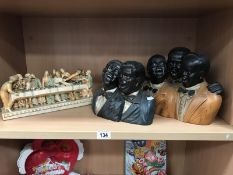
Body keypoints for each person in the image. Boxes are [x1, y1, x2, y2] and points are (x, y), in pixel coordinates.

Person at [176, 53, 222, 125]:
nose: (183, 74)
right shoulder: (171, 90)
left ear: (201, 75)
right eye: (182, 70)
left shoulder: (213, 99)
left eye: (189, 72)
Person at [119, 61, 155, 125]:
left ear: (138, 81)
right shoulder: (113, 96)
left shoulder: (148, 103)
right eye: (121, 75)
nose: (122, 80)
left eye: (127, 76)